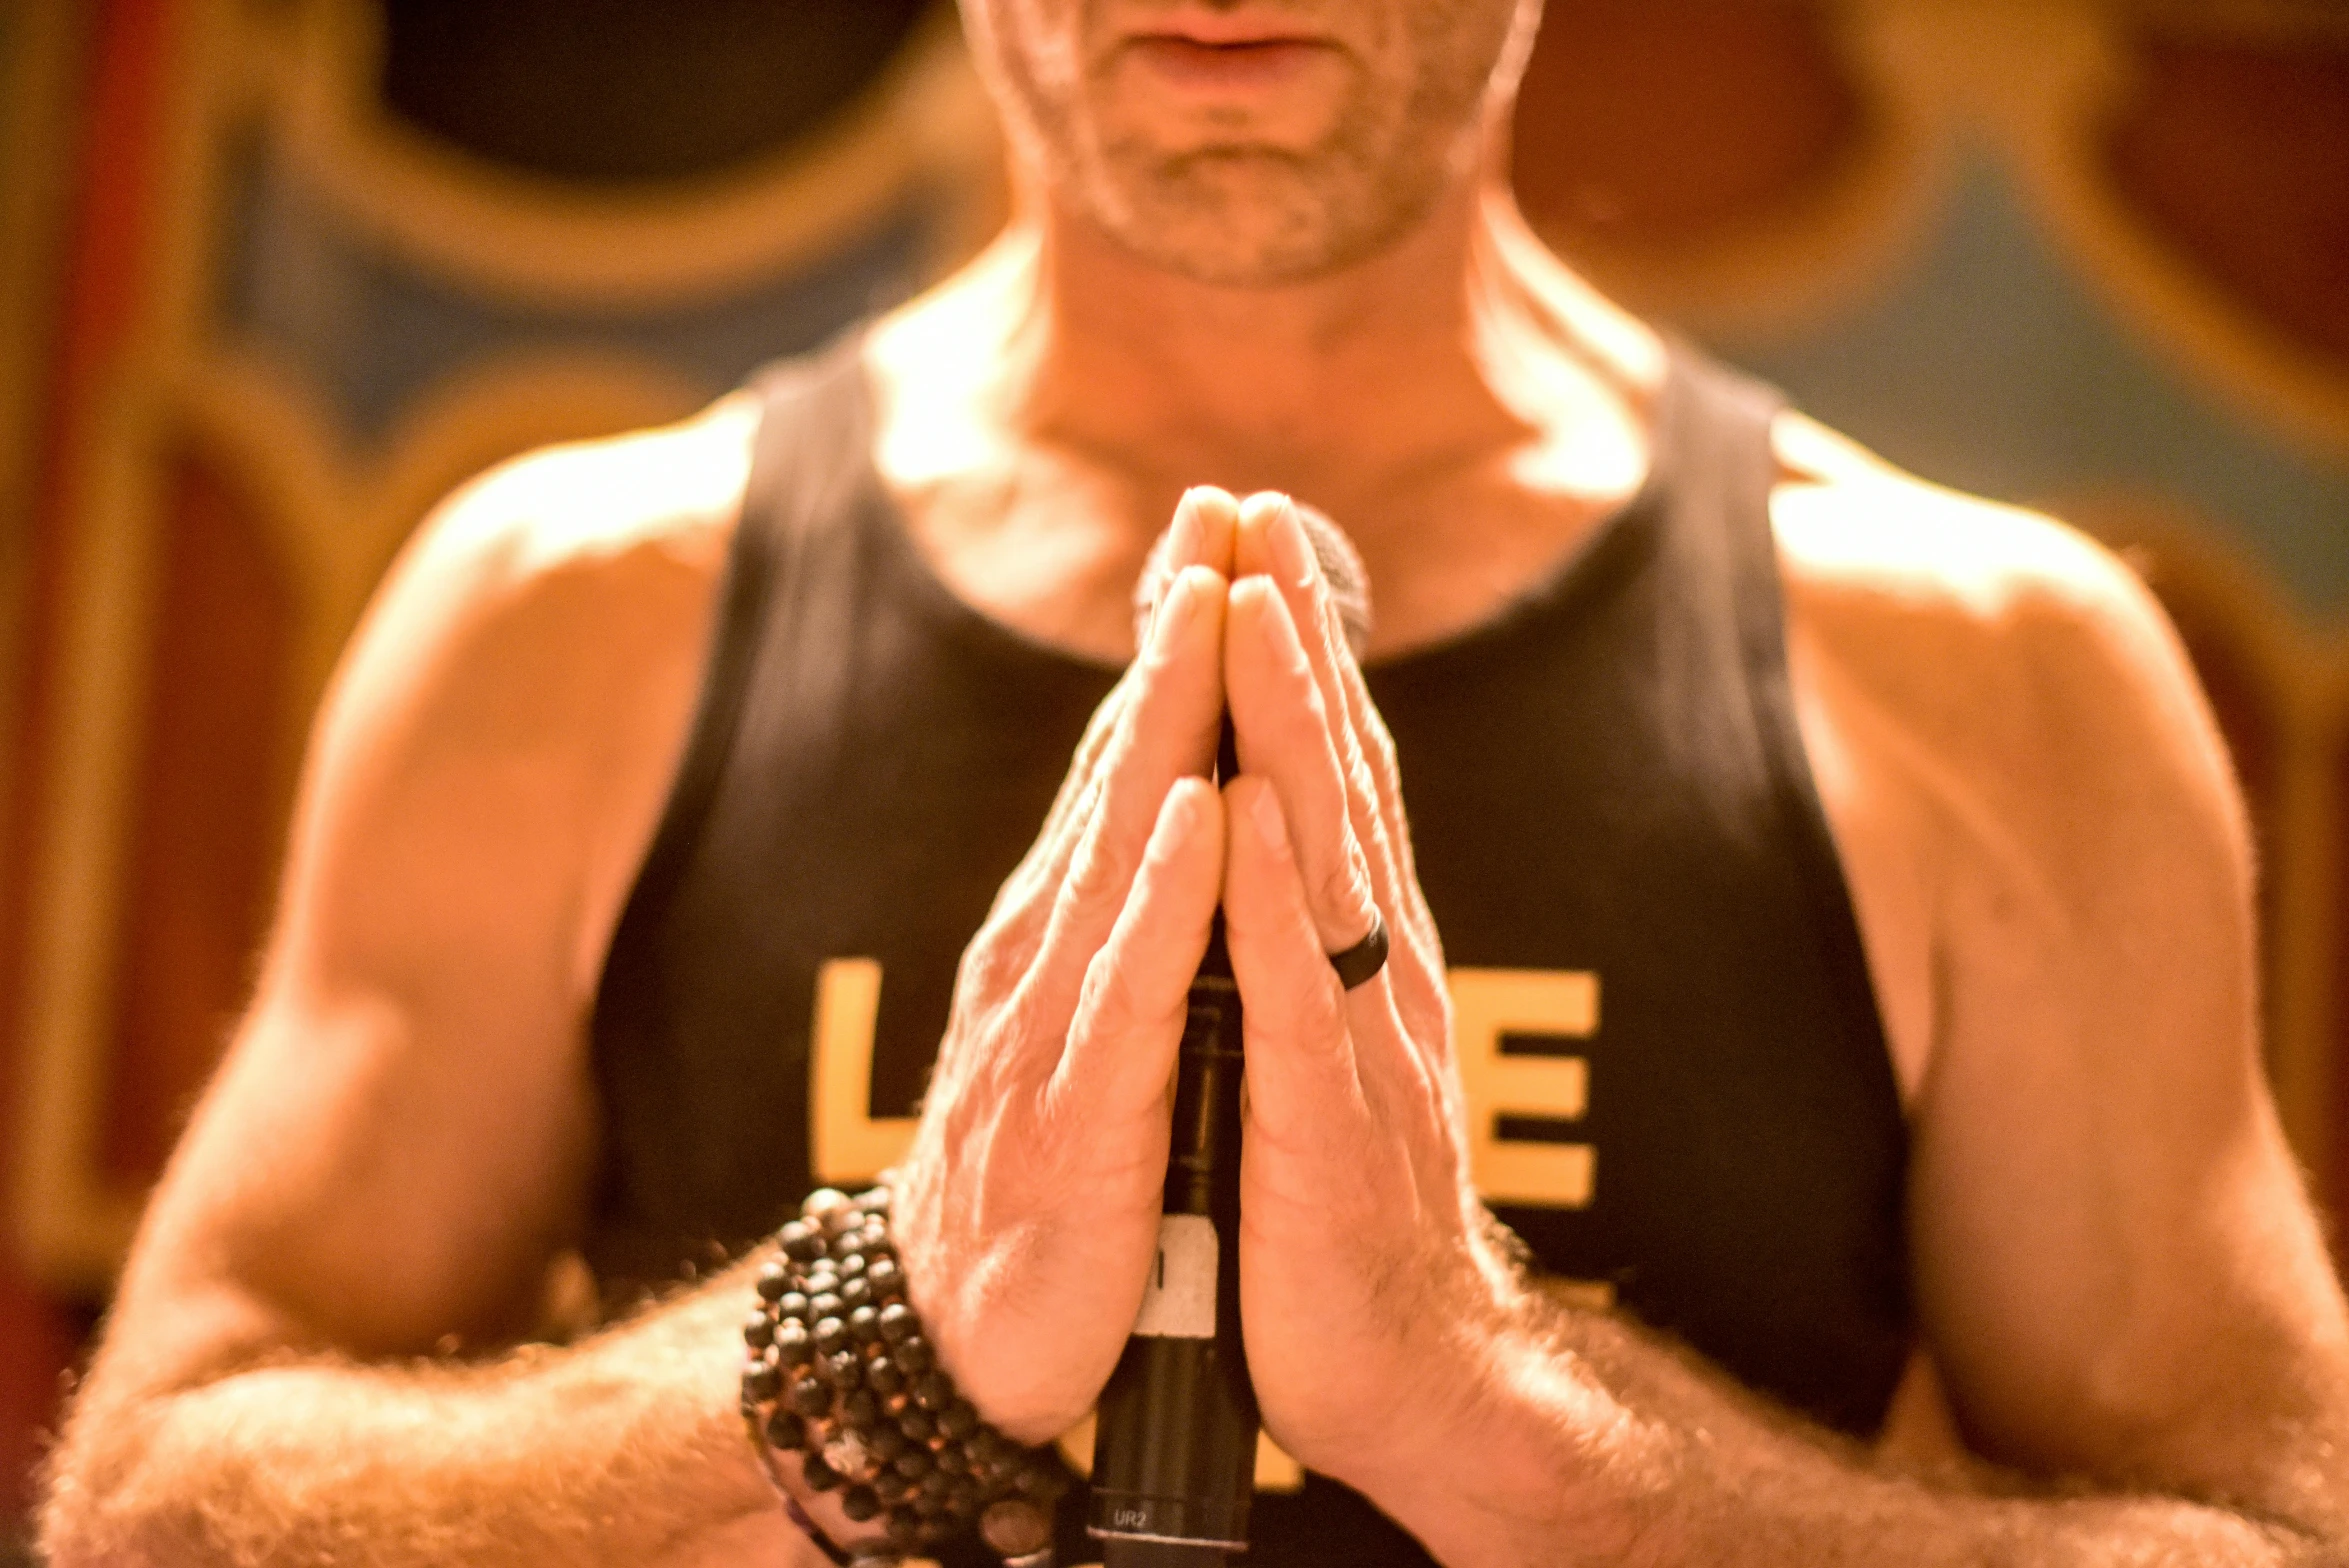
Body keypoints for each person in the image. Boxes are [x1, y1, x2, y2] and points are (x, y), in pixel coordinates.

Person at [38, 0, 2349, 1563]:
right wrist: (878, 1338)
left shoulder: (1994, 681)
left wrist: (1490, 1411)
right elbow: (149, 1504)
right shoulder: (574, 614)